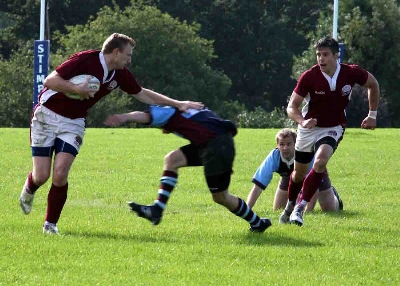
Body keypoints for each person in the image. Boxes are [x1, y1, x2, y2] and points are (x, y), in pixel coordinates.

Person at [19, 33, 204, 235]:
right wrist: (75, 89)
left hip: (74, 122)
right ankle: (29, 189)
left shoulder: (120, 74)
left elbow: (142, 94)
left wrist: (178, 104)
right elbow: (50, 80)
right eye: (128, 55)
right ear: (115, 52)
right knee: (41, 175)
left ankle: (50, 225)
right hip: (46, 115)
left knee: (61, 173)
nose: (130, 59)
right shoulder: (85, 59)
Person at [103, 105, 272, 233]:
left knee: (221, 197)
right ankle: (157, 210)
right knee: (172, 159)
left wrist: (123, 117)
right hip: (213, 144)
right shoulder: (188, 110)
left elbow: (146, 116)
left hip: (216, 147)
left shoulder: (169, 112)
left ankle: (257, 223)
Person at [280, 36, 379, 226]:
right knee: (298, 174)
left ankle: (300, 209)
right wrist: (302, 120)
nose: (320, 59)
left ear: (336, 55)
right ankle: (290, 205)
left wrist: (372, 114)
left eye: (325, 55)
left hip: (333, 127)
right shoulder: (309, 77)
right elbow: (291, 107)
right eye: (318, 55)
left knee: (320, 161)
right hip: (308, 130)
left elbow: (373, 84)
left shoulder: (351, 73)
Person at [246, 128, 343, 223]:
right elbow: (258, 186)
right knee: (278, 209)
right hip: (288, 177)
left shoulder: (306, 155)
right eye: (282, 144)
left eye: (289, 144)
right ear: (277, 146)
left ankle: (335, 196)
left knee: (329, 210)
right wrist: (246, 210)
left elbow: (313, 187)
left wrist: (306, 212)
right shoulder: (274, 156)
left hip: (316, 179)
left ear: (296, 144)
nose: (285, 148)